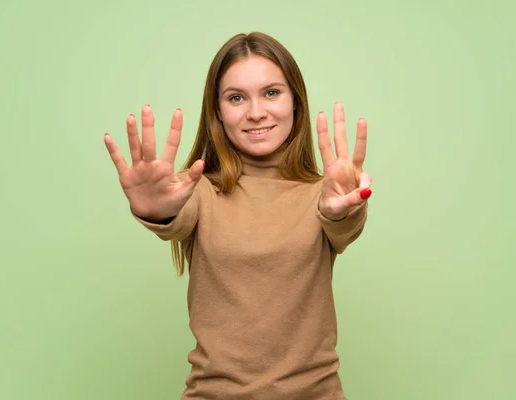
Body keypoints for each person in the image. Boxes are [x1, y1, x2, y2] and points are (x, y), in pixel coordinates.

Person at [104, 31, 372, 400]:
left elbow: (342, 223)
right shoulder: (195, 191)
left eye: (272, 93)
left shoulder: (323, 196)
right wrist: (156, 210)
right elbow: (175, 216)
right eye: (236, 98)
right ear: (217, 111)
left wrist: (343, 210)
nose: (256, 112)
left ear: (296, 101)